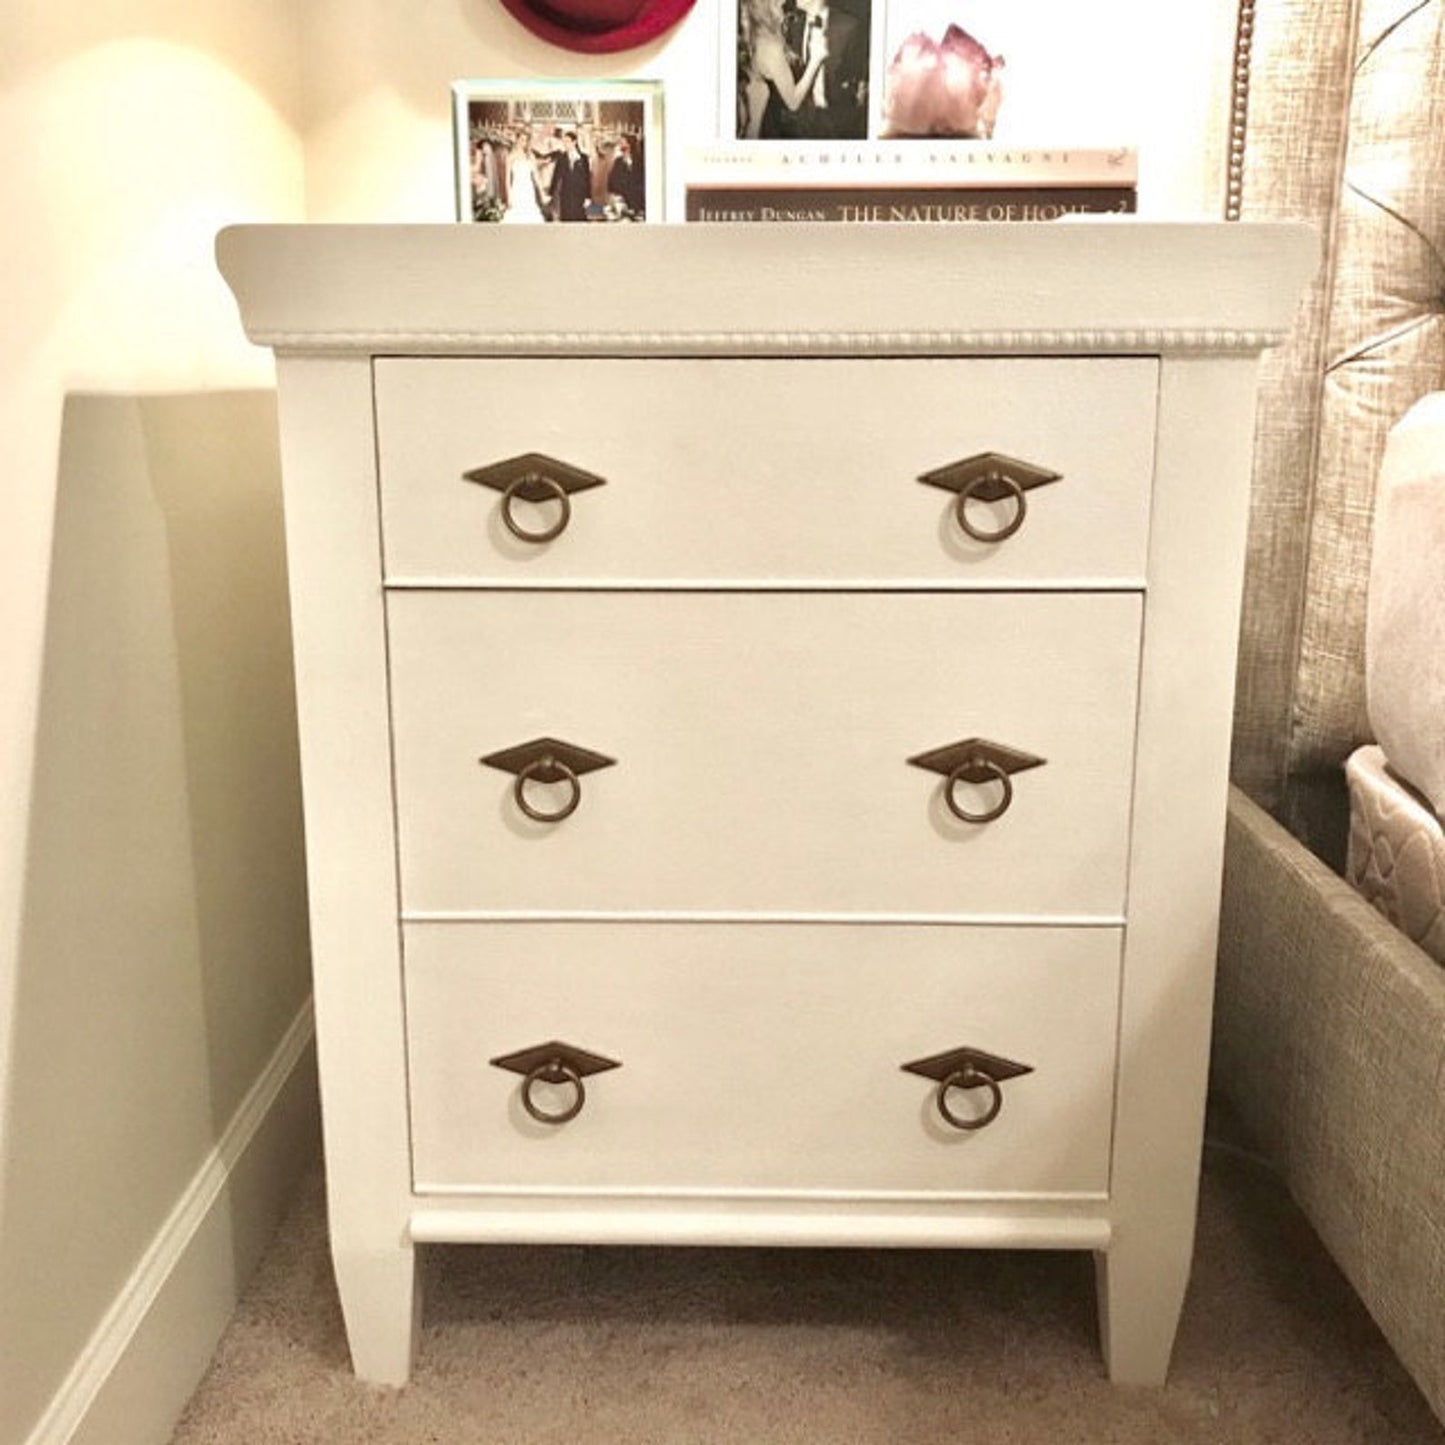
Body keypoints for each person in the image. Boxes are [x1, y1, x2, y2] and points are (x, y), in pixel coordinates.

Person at [738, 0, 828, 139]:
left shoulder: (765, 33)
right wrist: (815, 60)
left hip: (781, 118)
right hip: (781, 126)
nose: (784, 4)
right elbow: (793, 102)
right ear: (767, 9)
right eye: (778, 4)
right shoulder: (770, 46)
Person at [784, 0, 866, 138]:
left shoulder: (848, 26)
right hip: (803, 122)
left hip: (837, 121)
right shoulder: (793, 26)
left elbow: (859, 72)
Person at [549, 129, 592, 222]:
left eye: (567, 141)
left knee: (579, 218)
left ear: (574, 142)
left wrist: (588, 196)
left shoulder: (583, 158)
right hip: (566, 194)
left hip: (579, 195)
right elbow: (556, 176)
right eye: (564, 142)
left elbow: (587, 178)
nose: (565, 144)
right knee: (566, 218)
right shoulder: (562, 158)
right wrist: (551, 194)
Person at [501, 132, 544, 224]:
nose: (523, 142)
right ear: (517, 140)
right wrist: (508, 197)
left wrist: (542, 194)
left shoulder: (530, 156)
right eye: (521, 139)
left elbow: (536, 177)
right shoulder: (511, 157)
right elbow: (507, 179)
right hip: (516, 189)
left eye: (525, 140)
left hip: (528, 189)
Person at [606, 136, 645, 216]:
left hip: (637, 201)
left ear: (629, 144)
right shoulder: (618, 162)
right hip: (623, 202)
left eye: (622, 142)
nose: (620, 145)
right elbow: (612, 181)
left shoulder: (639, 161)